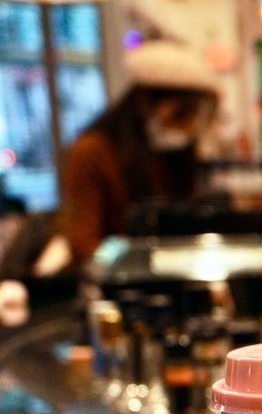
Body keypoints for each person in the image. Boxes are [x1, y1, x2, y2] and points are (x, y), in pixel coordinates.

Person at [59, 41, 219, 263]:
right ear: (144, 102)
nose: (187, 125)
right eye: (183, 112)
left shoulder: (175, 154)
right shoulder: (91, 152)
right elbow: (82, 243)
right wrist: (132, 258)